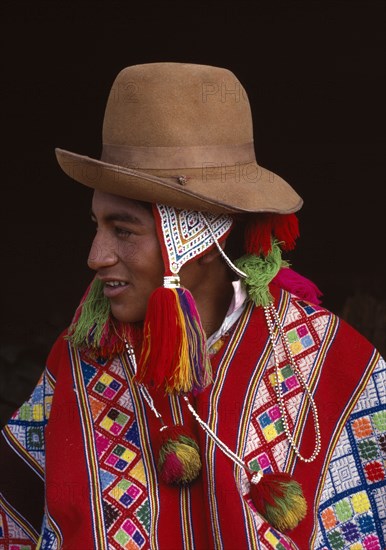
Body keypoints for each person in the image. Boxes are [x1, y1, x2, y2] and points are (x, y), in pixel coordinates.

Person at [0, 62, 385, 550]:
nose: (95, 256)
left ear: (195, 241)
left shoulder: (331, 364)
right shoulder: (81, 359)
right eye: (95, 226)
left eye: (123, 230)